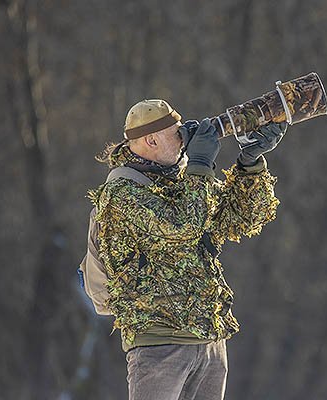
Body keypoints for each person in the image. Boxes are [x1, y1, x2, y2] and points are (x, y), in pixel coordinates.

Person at [88, 99, 287, 400]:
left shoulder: (184, 181)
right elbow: (182, 228)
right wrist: (201, 164)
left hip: (208, 340)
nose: (184, 140)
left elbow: (240, 220)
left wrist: (250, 162)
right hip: (159, 345)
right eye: (176, 134)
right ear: (151, 140)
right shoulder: (121, 193)